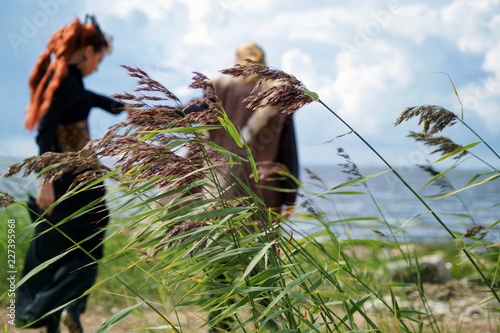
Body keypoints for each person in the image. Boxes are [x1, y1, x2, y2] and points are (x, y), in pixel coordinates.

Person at [17, 15, 125, 333]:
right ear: (86, 51)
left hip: (75, 182)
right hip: (73, 183)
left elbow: (97, 100)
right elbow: (46, 129)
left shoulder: (69, 82)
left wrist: (141, 108)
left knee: (59, 247)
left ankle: (57, 314)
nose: (98, 66)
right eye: (99, 58)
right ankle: (61, 307)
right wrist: (46, 180)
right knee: (86, 248)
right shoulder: (65, 83)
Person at [184, 41, 299, 217]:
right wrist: (290, 198)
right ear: (264, 62)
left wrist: (150, 113)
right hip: (263, 192)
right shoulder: (278, 94)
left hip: (220, 186)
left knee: (217, 239)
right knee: (260, 242)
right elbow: (288, 150)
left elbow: (191, 112)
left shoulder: (220, 88)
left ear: (236, 60)